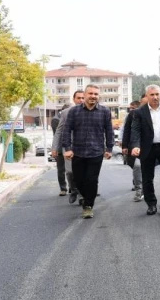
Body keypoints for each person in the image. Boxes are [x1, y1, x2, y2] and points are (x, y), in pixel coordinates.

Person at [62, 85, 114, 219]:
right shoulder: (74, 112)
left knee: (91, 180)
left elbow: (109, 131)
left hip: (96, 152)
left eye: (96, 94)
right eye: (90, 93)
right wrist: (67, 149)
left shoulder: (104, 112)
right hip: (77, 152)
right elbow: (66, 130)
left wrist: (109, 148)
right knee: (78, 180)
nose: (93, 96)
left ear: (99, 96)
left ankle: (88, 206)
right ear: (84, 95)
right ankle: (87, 197)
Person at [130, 85, 160, 216]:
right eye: (152, 95)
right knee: (147, 178)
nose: (155, 97)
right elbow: (135, 130)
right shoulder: (139, 112)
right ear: (147, 96)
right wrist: (135, 145)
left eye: (157, 94)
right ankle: (151, 204)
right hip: (147, 149)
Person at [51, 90, 85, 203]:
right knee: (70, 171)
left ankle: (81, 194)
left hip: (84, 147)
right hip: (69, 146)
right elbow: (59, 131)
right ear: (74, 99)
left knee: (82, 172)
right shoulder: (66, 112)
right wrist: (55, 147)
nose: (81, 100)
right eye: (78, 98)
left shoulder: (91, 112)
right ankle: (74, 189)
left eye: (82, 98)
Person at [120, 99, 144, 201]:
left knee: (145, 168)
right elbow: (126, 130)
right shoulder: (132, 115)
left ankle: (143, 187)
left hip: (150, 146)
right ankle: (139, 188)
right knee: (137, 166)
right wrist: (124, 146)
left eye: (133, 108)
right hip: (135, 145)